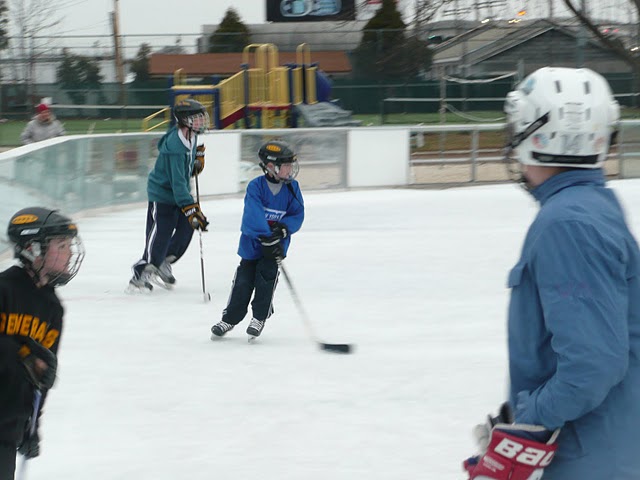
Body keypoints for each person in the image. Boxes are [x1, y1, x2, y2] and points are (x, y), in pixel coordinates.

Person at [463, 67, 640, 480]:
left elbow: (592, 365)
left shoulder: (569, 223)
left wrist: (526, 423)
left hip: (590, 460)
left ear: (537, 135)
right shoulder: (588, 207)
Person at [0, 207, 85, 479]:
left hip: (7, 429)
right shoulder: (4, 289)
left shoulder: (52, 310)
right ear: (33, 249)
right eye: (61, 245)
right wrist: (21, 355)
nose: (70, 253)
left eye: (69, 245)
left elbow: (40, 378)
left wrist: (32, 427)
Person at [210, 139, 304, 341]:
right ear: (271, 167)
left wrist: (283, 229)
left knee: (266, 280)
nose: (290, 170)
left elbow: (297, 213)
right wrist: (265, 235)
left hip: (275, 246)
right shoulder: (256, 186)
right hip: (253, 244)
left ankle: (259, 317)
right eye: (286, 165)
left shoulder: (292, 188)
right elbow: (252, 214)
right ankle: (230, 318)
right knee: (242, 282)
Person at [127, 98, 209, 293]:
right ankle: (141, 272)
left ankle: (163, 261)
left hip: (179, 194)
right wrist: (191, 209)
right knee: (160, 234)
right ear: (185, 120)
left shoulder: (191, 137)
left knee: (187, 227)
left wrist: (195, 163)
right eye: (197, 118)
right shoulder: (175, 147)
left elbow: (184, 173)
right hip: (162, 195)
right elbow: (178, 183)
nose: (201, 122)